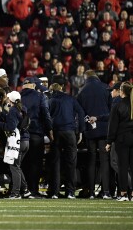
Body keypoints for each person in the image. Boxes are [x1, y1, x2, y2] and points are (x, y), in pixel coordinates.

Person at [76, 71, 112, 199]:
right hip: (104, 129)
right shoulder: (106, 88)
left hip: (89, 129)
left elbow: (79, 113)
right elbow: (111, 111)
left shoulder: (82, 91)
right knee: (104, 160)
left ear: (86, 78)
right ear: (96, 77)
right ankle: (106, 192)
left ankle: (91, 192)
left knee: (91, 160)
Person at [48, 82, 86, 199]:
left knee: (55, 163)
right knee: (71, 163)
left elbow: (47, 116)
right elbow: (81, 112)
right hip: (70, 132)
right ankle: (70, 192)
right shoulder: (70, 98)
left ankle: (54, 192)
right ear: (61, 88)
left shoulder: (51, 100)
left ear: (52, 90)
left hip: (56, 133)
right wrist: (80, 131)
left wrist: (48, 131)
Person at [0, 91, 31, 199]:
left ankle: (16, 193)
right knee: (17, 167)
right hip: (26, 141)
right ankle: (25, 190)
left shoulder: (13, 110)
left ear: (10, 100)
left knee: (14, 167)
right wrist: (2, 113)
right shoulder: (23, 108)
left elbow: (10, 126)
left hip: (17, 141)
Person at [20, 77, 52, 198]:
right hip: (36, 134)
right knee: (35, 164)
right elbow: (45, 114)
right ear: (34, 86)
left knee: (22, 163)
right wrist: (50, 130)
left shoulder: (17, 96)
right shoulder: (40, 96)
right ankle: (33, 190)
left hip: (21, 135)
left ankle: (23, 190)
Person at [106, 82, 133, 202]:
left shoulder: (118, 105)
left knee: (122, 167)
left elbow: (113, 126)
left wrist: (108, 142)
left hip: (122, 140)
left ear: (121, 91)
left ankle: (123, 194)